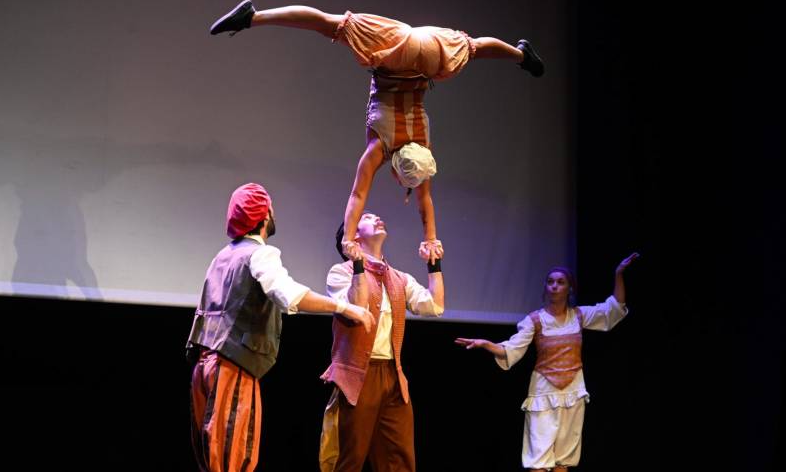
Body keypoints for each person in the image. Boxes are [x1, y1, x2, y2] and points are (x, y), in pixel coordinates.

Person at [208, 0, 545, 263]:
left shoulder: (423, 145)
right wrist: (348, 238)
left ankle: (520, 55)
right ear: (398, 171)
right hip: (396, 54)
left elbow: (425, 201)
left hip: (428, 48)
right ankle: (253, 16)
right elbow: (358, 195)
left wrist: (430, 237)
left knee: (473, 49)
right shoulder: (382, 148)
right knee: (329, 26)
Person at [185, 182, 375, 472]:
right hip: (231, 367)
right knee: (233, 459)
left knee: (213, 462)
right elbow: (288, 294)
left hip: (204, 367)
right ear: (263, 217)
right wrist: (346, 307)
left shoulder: (222, 256)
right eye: (271, 209)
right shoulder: (260, 253)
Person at [455, 253, 639, 471]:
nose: (554, 286)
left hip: (573, 391)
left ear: (569, 289)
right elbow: (511, 348)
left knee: (564, 459)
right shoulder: (535, 320)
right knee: (539, 458)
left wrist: (618, 274)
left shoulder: (579, 316)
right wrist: (486, 344)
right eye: (550, 281)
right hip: (543, 391)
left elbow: (614, 309)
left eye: (560, 282)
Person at [318, 212, 446, 471]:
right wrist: (357, 265)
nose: (377, 217)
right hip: (358, 376)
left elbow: (435, 306)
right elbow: (357, 307)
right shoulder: (339, 273)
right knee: (349, 458)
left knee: (398, 459)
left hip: (392, 375)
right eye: (366, 216)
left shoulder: (399, 278)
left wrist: (434, 265)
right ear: (352, 236)